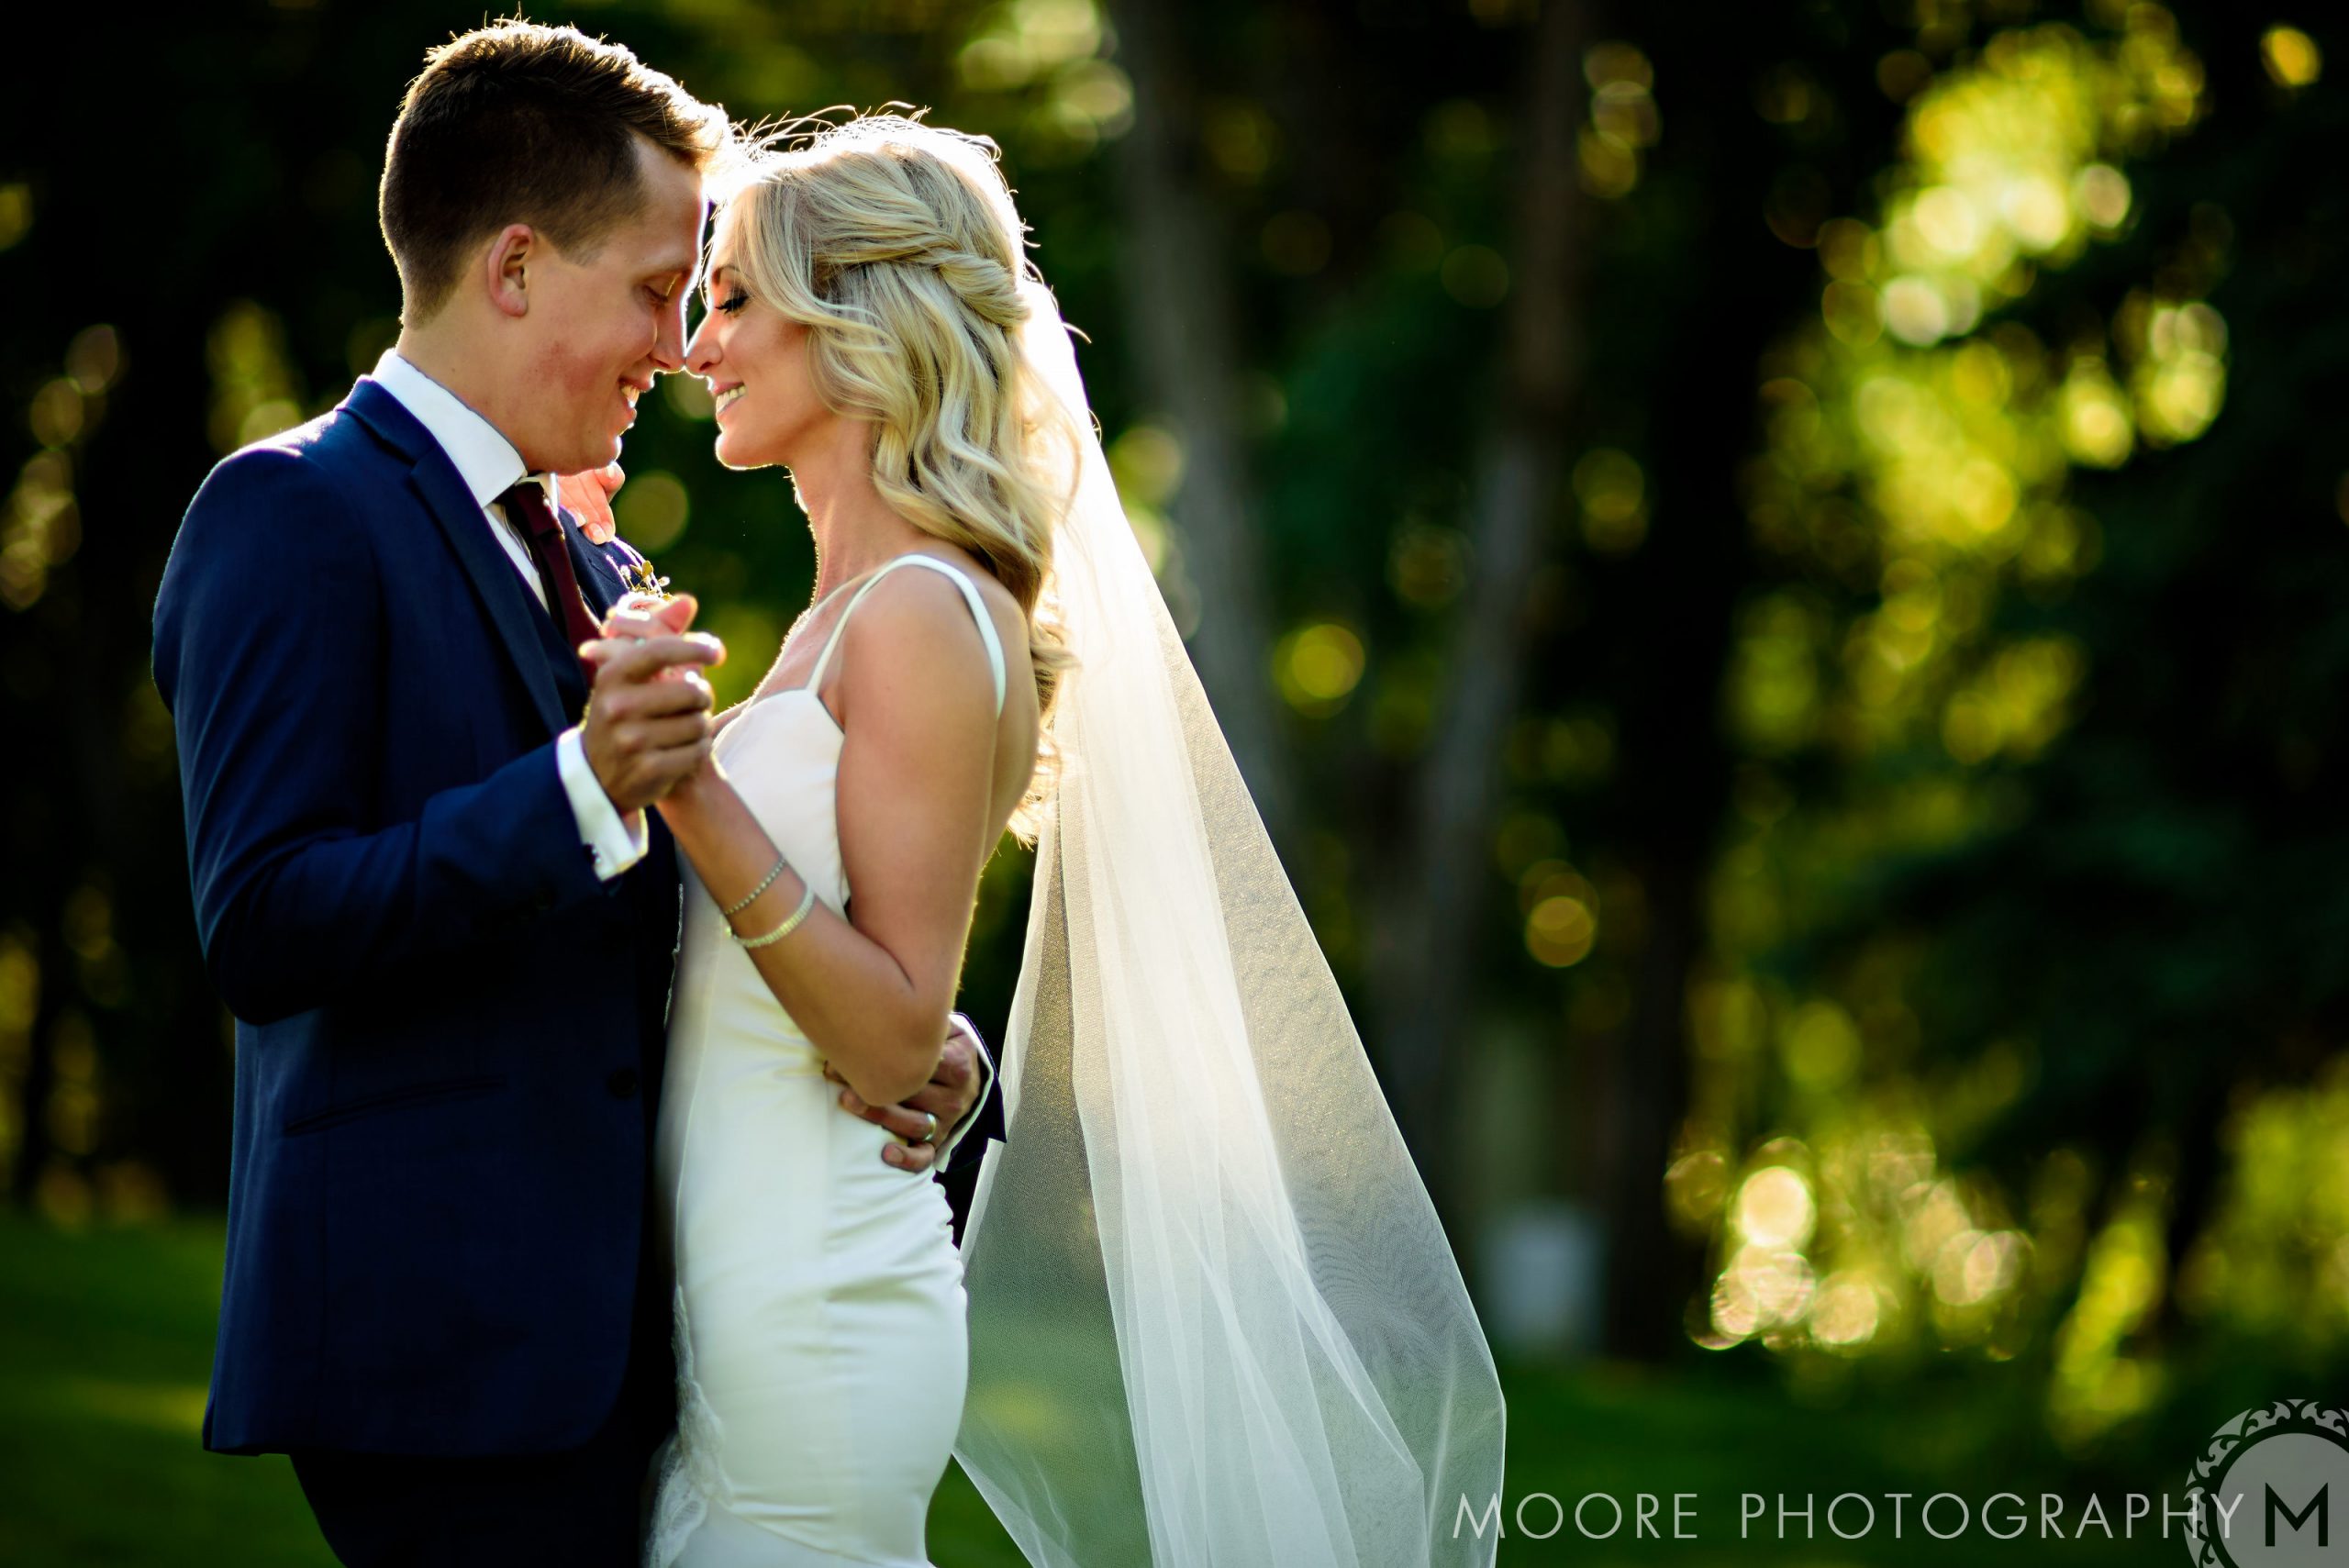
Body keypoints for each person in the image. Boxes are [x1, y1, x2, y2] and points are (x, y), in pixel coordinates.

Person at [150, 26, 991, 1566]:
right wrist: (578, 782)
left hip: (633, 1341)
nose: (679, 345)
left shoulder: (575, 548)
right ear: (518, 267)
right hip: (439, 1351)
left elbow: (670, 901)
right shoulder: (293, 511)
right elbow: (261, 921)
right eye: (659, 290)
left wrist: (910, 1025)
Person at [629, 112, 1506, 1568]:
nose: (695, 345)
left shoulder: (918, 610)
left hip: (814, 1303)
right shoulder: (845, 613)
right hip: (749, 1266)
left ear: (856, 322)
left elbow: (898, 1031)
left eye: (733, 301)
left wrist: (688, 786)